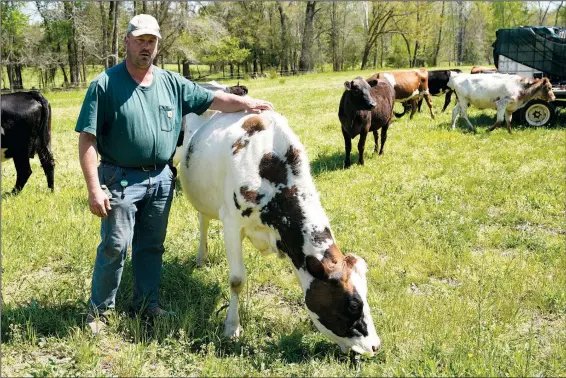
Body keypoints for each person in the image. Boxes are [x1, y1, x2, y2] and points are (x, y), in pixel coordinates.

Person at [76, 14, 274, 334]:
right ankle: (99, 313)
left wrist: (246, 102)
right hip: (120, 178)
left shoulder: (171, 83)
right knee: (115, 245)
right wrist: (94, 188)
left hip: (162, 179)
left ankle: (147, 304)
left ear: (157, 45)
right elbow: (87, 138)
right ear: (126, 41)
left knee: (152, 246)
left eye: (151, 41)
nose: (145, 46)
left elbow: (213, 99)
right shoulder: (105, 85)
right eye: (139, 40)